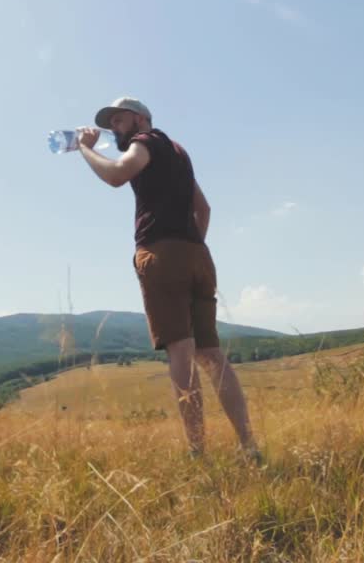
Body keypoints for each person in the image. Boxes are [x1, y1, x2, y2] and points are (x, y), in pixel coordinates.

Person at [76, 97, 259, 461]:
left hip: (162, 253)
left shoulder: (146, 143)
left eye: (120, 119)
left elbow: (116, 175)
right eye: (110, 121)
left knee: (181, 350)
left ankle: (197, 451)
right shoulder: (178, 152)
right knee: (211, 354)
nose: (115, 126)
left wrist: (84, 148)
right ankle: (248, 446)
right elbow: (203, 208)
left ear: (141, 119)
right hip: (198, 256)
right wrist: (192, 246)